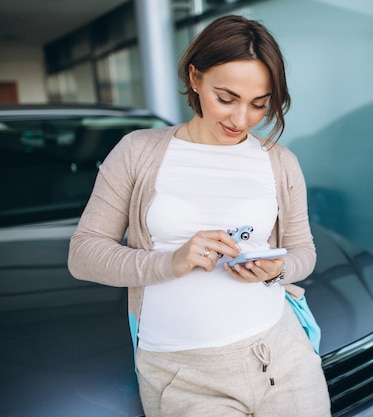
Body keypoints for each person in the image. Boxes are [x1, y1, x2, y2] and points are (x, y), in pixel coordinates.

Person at [68, 15, 331, 417]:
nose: (241, 120)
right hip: (183, 375)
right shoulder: (137, 150)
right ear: (195, 77)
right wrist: (170, 262)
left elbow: (304, 252)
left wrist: (274, 272)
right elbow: (83, 255)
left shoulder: (279, 161)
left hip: (283, 356)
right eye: (226, 98)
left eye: (259, 104)